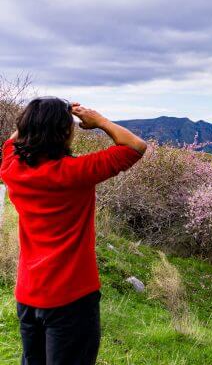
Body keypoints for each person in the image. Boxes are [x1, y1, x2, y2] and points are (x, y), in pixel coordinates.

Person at [0, 97, 147, 365]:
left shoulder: (11, 168)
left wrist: (38, 116)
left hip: (28, 294)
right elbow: (135, 146)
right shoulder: (76, 172)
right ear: (65, 132)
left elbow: (12, 141)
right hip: (71, 296)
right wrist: (99, 120)